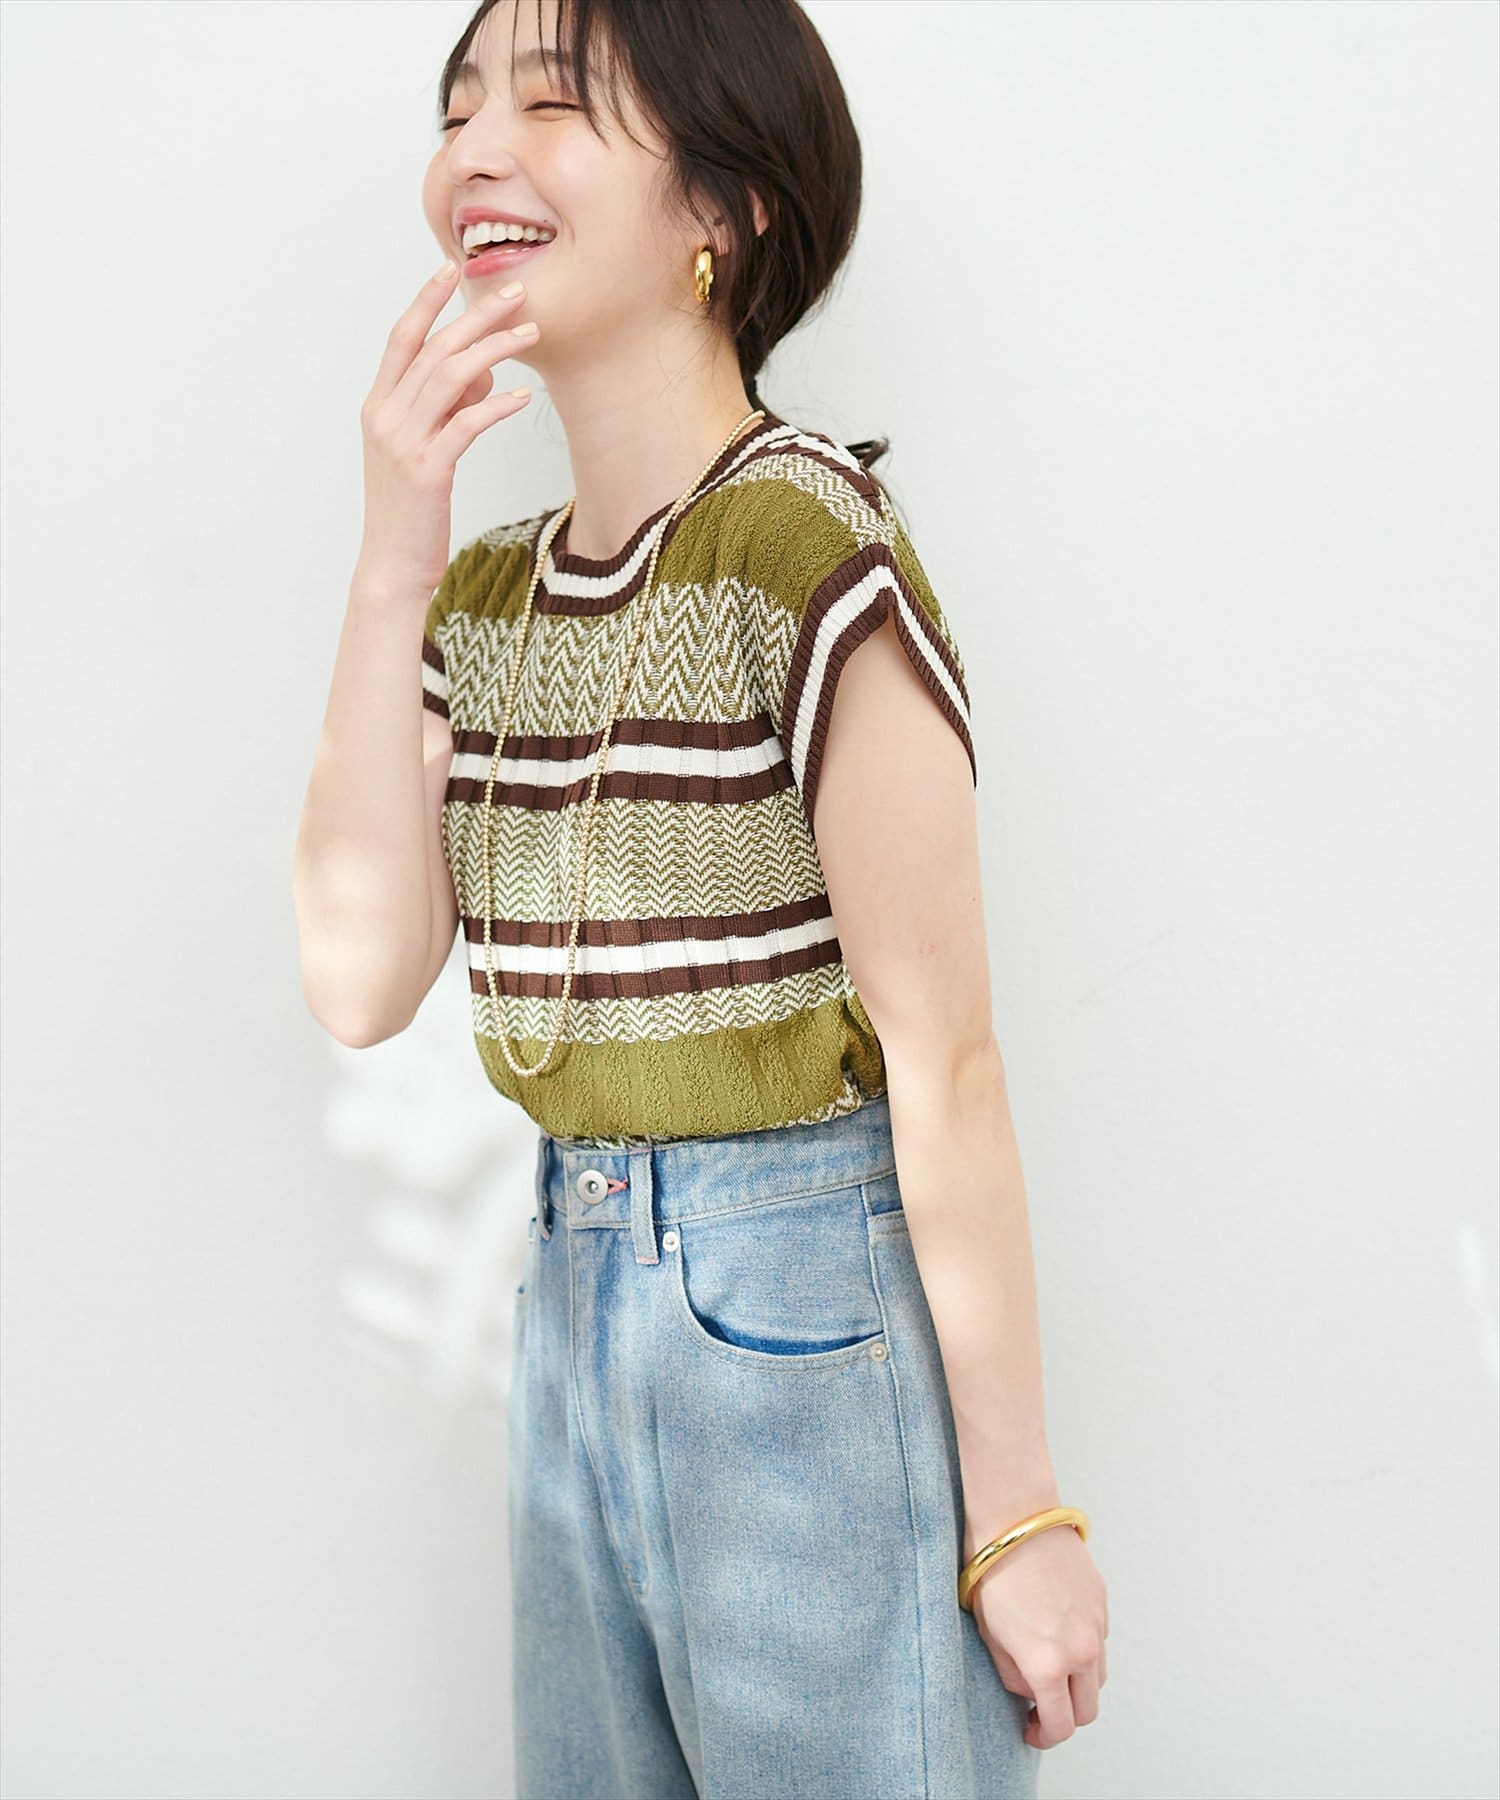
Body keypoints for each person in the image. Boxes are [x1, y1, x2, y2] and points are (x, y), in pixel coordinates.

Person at [293, 1, 1109, 1793]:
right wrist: (394, 550)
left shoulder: (800, 543)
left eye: (552, 104)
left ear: (721, 209)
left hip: (800, 1312)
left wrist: (1020, 1514)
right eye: (459, 107)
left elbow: (947, 1062)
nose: (475, 151)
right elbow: (357, 980)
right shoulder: (486, 599)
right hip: (571, 1308)